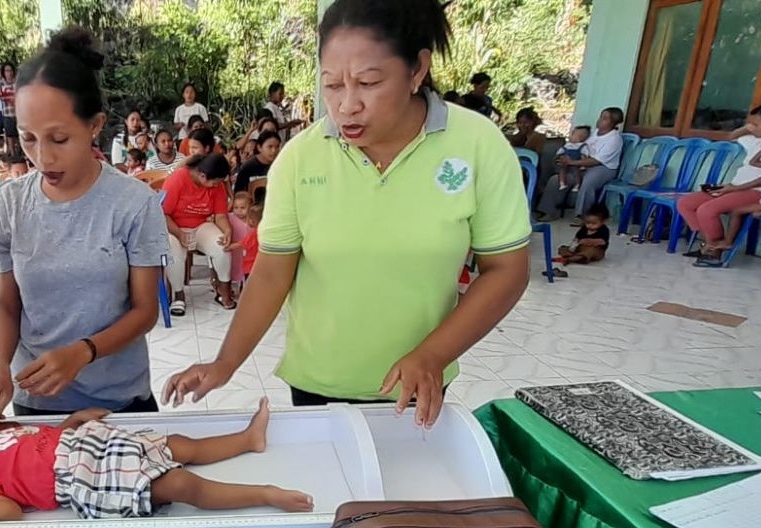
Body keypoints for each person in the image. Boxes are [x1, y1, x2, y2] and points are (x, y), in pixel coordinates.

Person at [163, 0, 530, 428]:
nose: (347, 106)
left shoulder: (477, 145)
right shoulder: (301, 159)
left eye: (368, 83)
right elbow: (272, 272)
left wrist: (433, 354)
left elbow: (506, 269)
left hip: (418, 381)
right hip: (318, 382)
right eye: (332, 85)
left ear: (417, 70)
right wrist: (225, 363)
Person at [0, 28, 169, 423]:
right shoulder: (10, 204)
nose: (42, 157)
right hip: (37, 403)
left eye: (59, 139)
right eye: (28, 139)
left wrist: (83, 352)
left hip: (118, 403)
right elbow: (5, 304)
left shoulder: (133, 203)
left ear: (95, 125)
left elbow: (145, 310)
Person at [0, 400, 313, 528]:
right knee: (179, 486)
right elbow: (10, 508)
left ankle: (246, 440)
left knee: (179, 443)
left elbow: (42, 437)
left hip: (92, 446)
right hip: (84, 479)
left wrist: (72, 422)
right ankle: (266, 494)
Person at [678, 102, 761, 254]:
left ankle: (713, 250)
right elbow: (731, 136)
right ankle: (710, 242)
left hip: (755, 191)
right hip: (734, 186)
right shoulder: (757, 140)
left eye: (756, 124)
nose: (751, 127)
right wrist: (745, 128)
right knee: (686, 203)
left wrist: (735, 188)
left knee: (706, 210)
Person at [161, 153, 237, 316]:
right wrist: (179, 233)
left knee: (221, 247)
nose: (216, 185)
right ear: (202, 175)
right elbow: (163, 214)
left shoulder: (217, 186)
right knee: (173, 251)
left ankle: (223, 290)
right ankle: (178, 295)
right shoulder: (178, 179)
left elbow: (221, 215)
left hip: (201, 225)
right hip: (173, 227)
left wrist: (227, 230)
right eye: (214, 182)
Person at [697, 135, 761, 265]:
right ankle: (727, 242)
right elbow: (754, 162)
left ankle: (728, 242)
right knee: (737, 211)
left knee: (737, 211)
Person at [536, 107, 625, 223]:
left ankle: (582, 216)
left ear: (613, 123)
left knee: (588, 181)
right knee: (557, 179)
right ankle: (548, 211)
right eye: (601, 116)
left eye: (605, 118)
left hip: (603, 168)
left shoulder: (614, 139)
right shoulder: (593, 134)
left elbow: (596, 161)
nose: (600, 120)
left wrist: (572, 162)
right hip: (581, 165)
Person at [234, 130, 281, 198]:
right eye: (270, 147)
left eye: (277, 147)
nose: (274, 151)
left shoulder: (280, 165)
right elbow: (239, 194)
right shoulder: (248, 167)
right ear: (259, 147)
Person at [555, 125, 591, 191]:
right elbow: (560, 152)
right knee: (562, 170)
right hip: (565, 162)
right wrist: (559, 157)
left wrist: (582, 164)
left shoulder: (582, 146)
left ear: (579, 137)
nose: (570, 136)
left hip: (575, 163)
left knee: (576, 172)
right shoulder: (567, 145)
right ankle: (562, 183)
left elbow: (585, 155)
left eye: (573, 134)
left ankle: (577, 184)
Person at [0, 63, 19, 156]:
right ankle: (13, 154)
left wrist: (8, 95)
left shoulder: (17, 82)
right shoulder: (1, 84)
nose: (9, 73)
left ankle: (20, 153)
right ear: (4, 72)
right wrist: (10, 96)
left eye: (11, 70)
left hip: (18, 113)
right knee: (10, 135)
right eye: (7, 70)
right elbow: (1, 97)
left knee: (19, 135)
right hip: (7, 113)